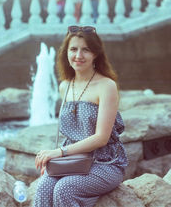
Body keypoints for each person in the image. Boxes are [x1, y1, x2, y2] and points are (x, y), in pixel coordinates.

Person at [33, 25, 128, 206]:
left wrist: (59, 152)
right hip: (73, 161)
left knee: (65, 188)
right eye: (73, 49)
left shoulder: (106, 86)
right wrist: (56, 158)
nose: (78, 55)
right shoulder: (65, 86)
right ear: (66, 53)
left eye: (86, 50)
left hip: (105, 162)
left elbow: (101, 138)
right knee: (44, 186)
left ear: (96, 54)